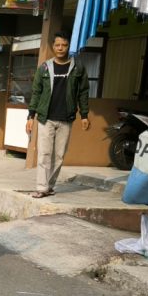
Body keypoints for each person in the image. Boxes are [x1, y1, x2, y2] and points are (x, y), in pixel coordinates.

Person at [26, 31, 90, 198]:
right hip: (45, 117)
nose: (61, 48)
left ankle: (50, 186)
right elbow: (36, 92)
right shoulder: (45, 67)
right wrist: (30, 116)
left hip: (66, 118)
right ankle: (41, 187)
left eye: (64, 45)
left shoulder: (78, 67)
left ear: (69, 46)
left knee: (59, 156)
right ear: (53, 47)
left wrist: (84, 115)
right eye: (57, 45)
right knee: (44, 154)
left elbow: (83, 92)